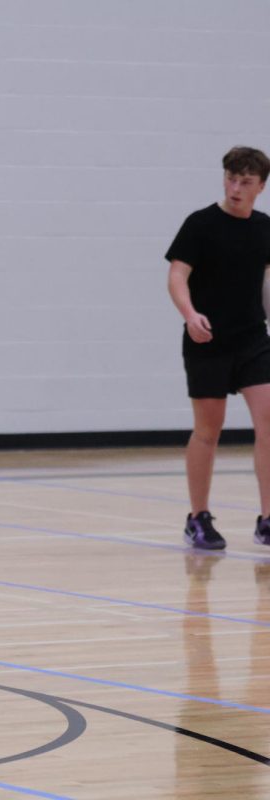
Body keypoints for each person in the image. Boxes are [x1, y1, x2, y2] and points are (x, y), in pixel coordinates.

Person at [166, 146, 270, 550]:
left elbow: (265, 285)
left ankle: (266, 518)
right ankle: (198, 517)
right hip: (207, 340)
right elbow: (177, 277)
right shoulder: (201, 224)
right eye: (231, 178)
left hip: (253, 341)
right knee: (209, 430)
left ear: (261, 187)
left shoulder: (264, 228)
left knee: (268, 424)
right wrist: (191, 315)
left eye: (245, 181)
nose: (235, 188)